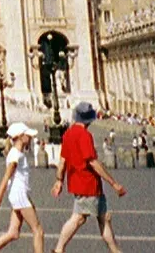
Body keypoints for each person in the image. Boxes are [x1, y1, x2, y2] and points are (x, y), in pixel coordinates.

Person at [51, 102, 127, 253]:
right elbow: (92, 162)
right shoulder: (84, 135)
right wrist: (113, 183)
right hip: (87, 184)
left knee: (103, 218)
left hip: (80, 184)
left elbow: (62, 161)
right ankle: (59, 250)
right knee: (78, 218)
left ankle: (115, 250)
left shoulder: (68, 134)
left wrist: (59, 180)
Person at [0, 123, 43, 253]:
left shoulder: (16, 153)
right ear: (20, 136)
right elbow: (6, 177)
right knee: (38, 230)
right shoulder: (15, 155)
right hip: (19, 194)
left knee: (13, 233)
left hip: (18, 194)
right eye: (27, 135)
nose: (30, 137)